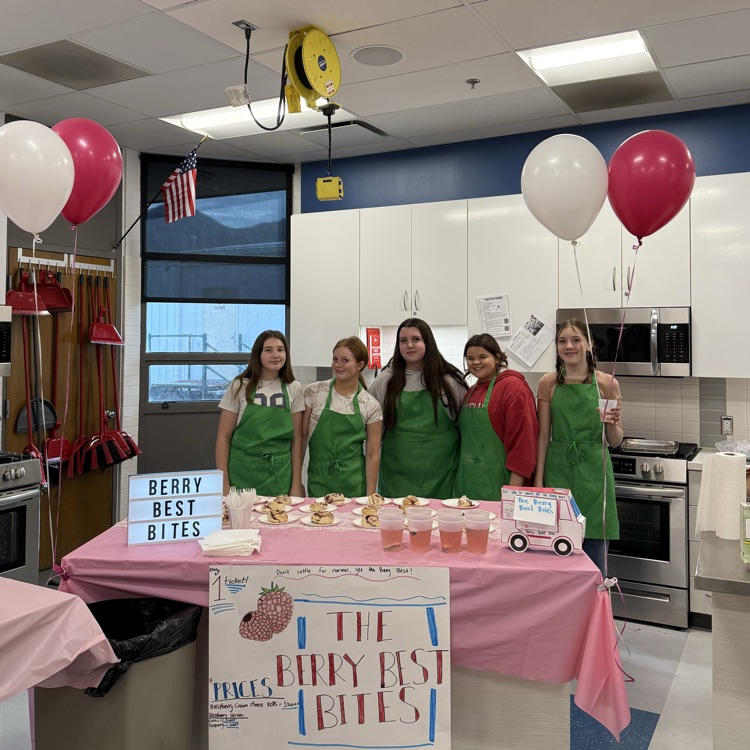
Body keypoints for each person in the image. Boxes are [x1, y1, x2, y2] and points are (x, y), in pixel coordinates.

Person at [534, 319, 623, 577]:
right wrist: (539, 481)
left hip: (595, 474)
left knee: (595, 565)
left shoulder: (607, 384)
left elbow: (615, 440)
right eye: (562, 341)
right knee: (557, 559)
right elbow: (542, 436)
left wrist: (613, 423)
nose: (569, 346)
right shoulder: (548, 383)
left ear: (588, 345)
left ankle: (595, 616)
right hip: (558, 470)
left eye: (575, 340)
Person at [369, 318, 466, 499]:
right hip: (395, 479)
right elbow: (372, 433)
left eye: (416, 339)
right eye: (403, 341)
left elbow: (465, 427)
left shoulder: (450, 380)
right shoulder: (384, 382)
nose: (409, 345)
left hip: (442, 478)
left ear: (427, 342)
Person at [215, 330, 305, 497]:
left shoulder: (294, 388)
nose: (276, 355)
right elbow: (223, 437)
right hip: (242, 474)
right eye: (268, 350)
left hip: (280, 476)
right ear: (258, 354)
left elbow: (297, 439)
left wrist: (296, 484)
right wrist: (224, 484)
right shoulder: (239, 386)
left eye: (280, 349)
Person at [453, 334, 538, 500]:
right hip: (467, 485)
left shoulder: (513, 388)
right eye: (470, 358)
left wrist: (511, 492)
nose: (476, 362)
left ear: (497, 358)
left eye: (482, 357)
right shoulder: (471, 392)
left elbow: (524, 443)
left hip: (502, 486)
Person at [302, 337, 383, 498]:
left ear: (360, 365)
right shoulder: (314, 392)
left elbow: (373, 455)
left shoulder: (370, 404)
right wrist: (297, 480)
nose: (338, 365)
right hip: (319, 479)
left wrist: (370, 496)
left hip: (353, 483)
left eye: (345, 360)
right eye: (335, 359)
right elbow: (301, 438)